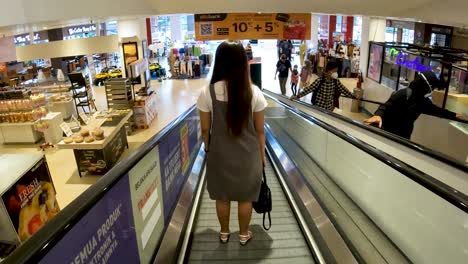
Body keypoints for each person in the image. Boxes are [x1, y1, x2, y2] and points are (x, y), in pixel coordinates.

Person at [197, 41, 267, 246]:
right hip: (248, 156)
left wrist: (209, 149)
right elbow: (260, 131)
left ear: (219, 62)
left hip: (220, 155)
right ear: (242, 63)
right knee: (245, 197)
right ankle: (244, 234)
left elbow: (204, 130)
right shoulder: (254, 92)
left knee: (223, 197)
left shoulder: (206, 93)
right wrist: (261, 159)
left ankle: (224, 233)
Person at [364, 71, 465, 139]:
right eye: (431, 88)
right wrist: (378, 115)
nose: (431, 91)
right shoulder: (402, 94)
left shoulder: (423, 102)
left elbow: (437, 111)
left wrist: (453, 115)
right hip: (387, 133)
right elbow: (385, 106)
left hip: (404, 137)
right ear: (425, 86)